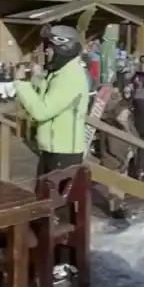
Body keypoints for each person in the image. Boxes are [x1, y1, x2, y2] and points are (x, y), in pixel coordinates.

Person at [14, 25, 89, 176]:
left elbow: (42, 111)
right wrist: (36, 79)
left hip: (64, 152)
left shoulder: (71, 76)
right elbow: (46, 98)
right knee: (43, 197)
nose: (46, 51)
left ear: (63, 49)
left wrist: (21, 84)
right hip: (51, 149)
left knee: (54, 198)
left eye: (50, 47)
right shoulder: (59, 72)